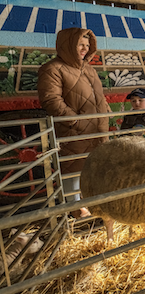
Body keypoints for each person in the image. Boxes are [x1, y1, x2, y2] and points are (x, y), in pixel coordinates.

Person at [37, 28, 110, 218]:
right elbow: (51, 100)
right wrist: (75, 120)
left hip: (97, 129)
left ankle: (92, 208)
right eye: (80, 45)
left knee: (95, 168)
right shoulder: (52, 69)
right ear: (68, 44)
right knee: (73, 168)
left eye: (87, 45)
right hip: (74, 131)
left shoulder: (89, 69)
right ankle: (76, 210)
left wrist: (106, 112)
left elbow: (97, 95)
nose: (84, 49)